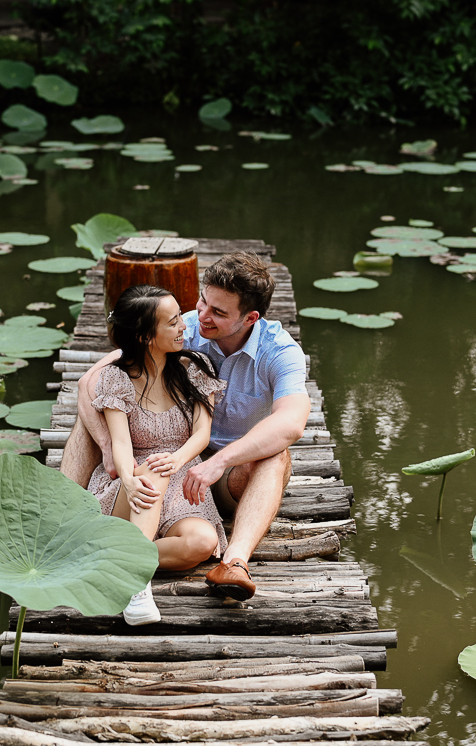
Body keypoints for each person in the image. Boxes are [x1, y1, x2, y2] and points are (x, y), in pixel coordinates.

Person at [62, 252, 311, 603]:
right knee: (94, 412)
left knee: (277, 454)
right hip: (157, 465)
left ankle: (234, 562)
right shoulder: (182, 329)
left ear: (250, 318)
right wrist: (108, 447)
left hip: (226, 472)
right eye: (202, 302)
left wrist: (217, 462)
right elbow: (91, 382)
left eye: (219, 313)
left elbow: (292, 422)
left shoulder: (280, 352)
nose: (202, 317)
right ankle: (63, 517)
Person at [89, 284, 228, 626]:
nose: (185, 326)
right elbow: (121, 443)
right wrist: (128, 478)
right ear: (146, 337)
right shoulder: (116, 378)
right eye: (173, 321)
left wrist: (178, 459)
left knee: (202, 541)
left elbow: (202, 434)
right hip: (133, 483)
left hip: (182, 479)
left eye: (181, 316)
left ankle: (115, 559)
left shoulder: (195, 369)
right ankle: (137, 585)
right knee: (153, 468)